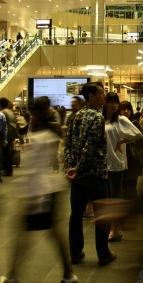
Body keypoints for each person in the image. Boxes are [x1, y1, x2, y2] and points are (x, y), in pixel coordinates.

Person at [0, 97, 76, 283]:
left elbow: (33, 169)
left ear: (34, 114)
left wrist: (30, 197)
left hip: (38, 192)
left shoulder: (38, 139)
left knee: (23, 236)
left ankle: (13, 277)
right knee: (52, 233)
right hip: (51, 187)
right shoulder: (51, 135)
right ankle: (68, 274)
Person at [63, 82, 116, 266]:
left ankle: (75, 253)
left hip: (77, 177)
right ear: (91, 96)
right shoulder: (97, 117)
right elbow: (90, 148)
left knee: (75, 215)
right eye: (101, 93)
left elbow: (68, 144)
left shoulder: (75, 116)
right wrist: (78, 168)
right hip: (96, 174)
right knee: (102, 214)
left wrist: (70, 168)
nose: (104, 96)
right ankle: (103, 254)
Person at [104, 93, 143, 243]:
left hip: (116, 163)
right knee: (107, 197)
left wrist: (121, 142)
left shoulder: (121, 120)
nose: (113, 105)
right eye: (110, 102)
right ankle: (111, 225)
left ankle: (116, 227)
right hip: (102, 164)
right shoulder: (100, 119)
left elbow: (138, 135)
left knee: (115, 196)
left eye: (116, 102)